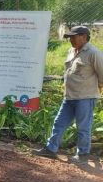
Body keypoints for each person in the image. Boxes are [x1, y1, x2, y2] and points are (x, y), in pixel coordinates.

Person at [33, 26, 103, 165]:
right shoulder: (71, 51)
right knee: (59, 123)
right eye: (70, 37)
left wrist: (97, 90)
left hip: (85, 98)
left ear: (83, 36)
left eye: (73, 36)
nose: (70, 39)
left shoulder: (94, 53)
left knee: (83, 127)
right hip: (69, 96)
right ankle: (51, 149)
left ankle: (82, 155)